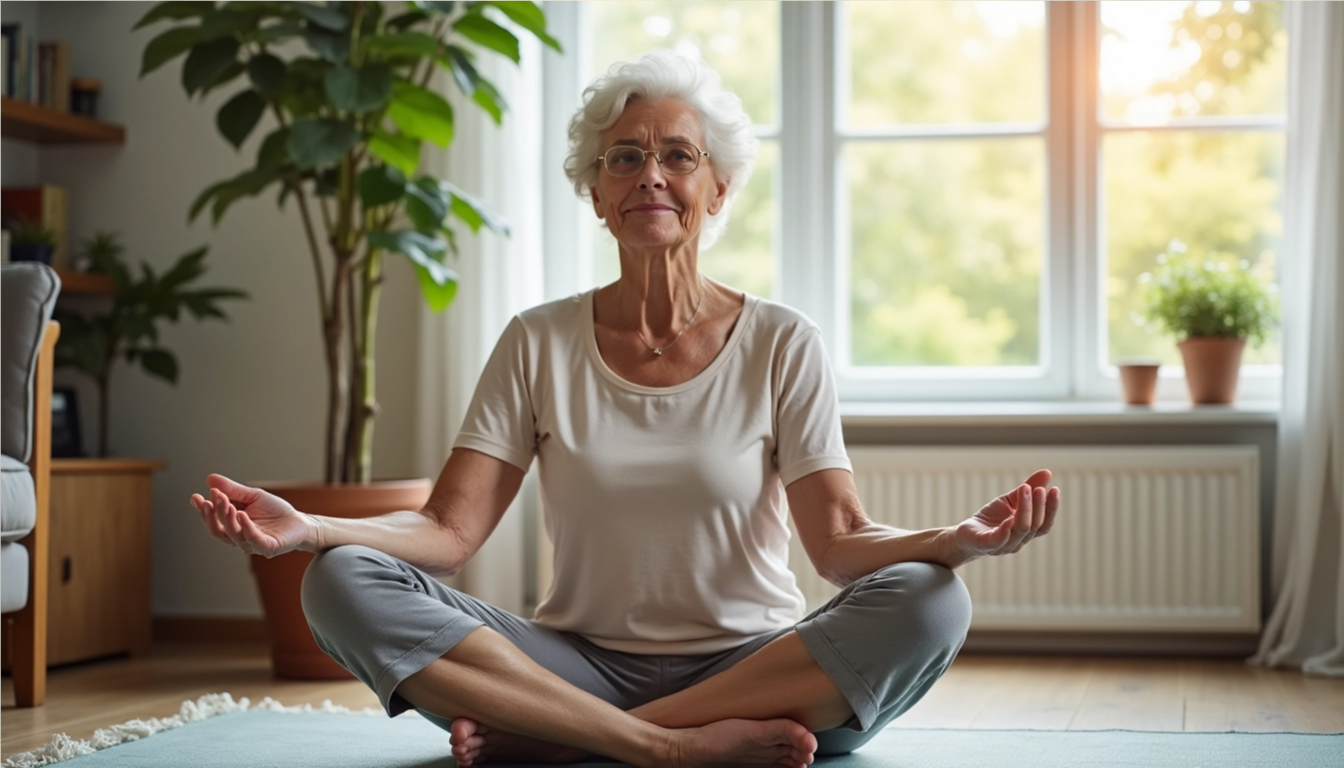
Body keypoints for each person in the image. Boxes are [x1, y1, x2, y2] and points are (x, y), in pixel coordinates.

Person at [190, 51, 1061, 768]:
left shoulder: (781, 341)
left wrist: (952, 542)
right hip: (573, 663)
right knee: (341, 579)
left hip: (755, 667)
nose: (652, 175)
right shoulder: (536, 341)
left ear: (716, 190)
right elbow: (446, 536)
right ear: (597, 192)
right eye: (625, 157)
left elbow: (838, 545)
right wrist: (307, 528)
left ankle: (558, 740)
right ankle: (658, 748)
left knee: (934, 602)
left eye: (679, 156)